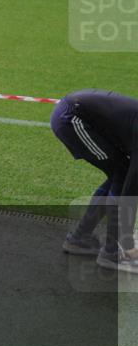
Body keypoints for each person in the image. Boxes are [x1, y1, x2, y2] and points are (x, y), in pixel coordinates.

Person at [51, 89, 138, 273]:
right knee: (122, 175)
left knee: (119, 171)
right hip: (72, 118)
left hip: (79, 114)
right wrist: (127, 242)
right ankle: (112, 252)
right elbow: (130, 192)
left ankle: (79, 238)